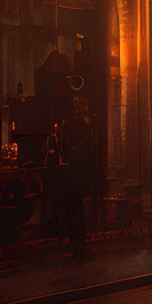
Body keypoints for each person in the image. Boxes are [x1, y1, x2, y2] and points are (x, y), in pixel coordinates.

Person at [52, 96, 96, 260]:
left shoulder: (67, 125)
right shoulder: (86, 125)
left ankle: (74, 242)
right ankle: (80, 245)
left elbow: (62, 149)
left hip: (68, 171)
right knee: (79, 209)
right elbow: (90, 151)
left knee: (72, 208)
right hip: (81, 172)